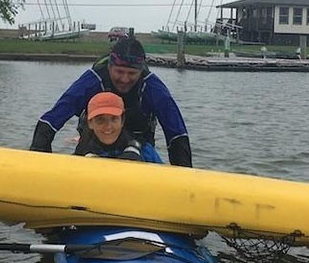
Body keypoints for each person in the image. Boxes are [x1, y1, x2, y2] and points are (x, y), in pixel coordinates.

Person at [29, 37, 192, 167]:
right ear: (109, 67)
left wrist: (185, 181)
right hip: (93, 142)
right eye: (119, 72)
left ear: (141, 71)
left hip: (139, 146)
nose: (125, 79)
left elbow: (176, 134)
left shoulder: (153, 88)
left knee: (138, 149)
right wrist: (40, 165)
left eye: (132, 73)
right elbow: (51, 121)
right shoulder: (91, 81)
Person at [75, 91, 162, 163]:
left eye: (114, 119)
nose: (108, 126)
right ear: (90, 123)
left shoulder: (145, 151)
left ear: (122, 121)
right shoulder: (79, 154)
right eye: (100, 120)